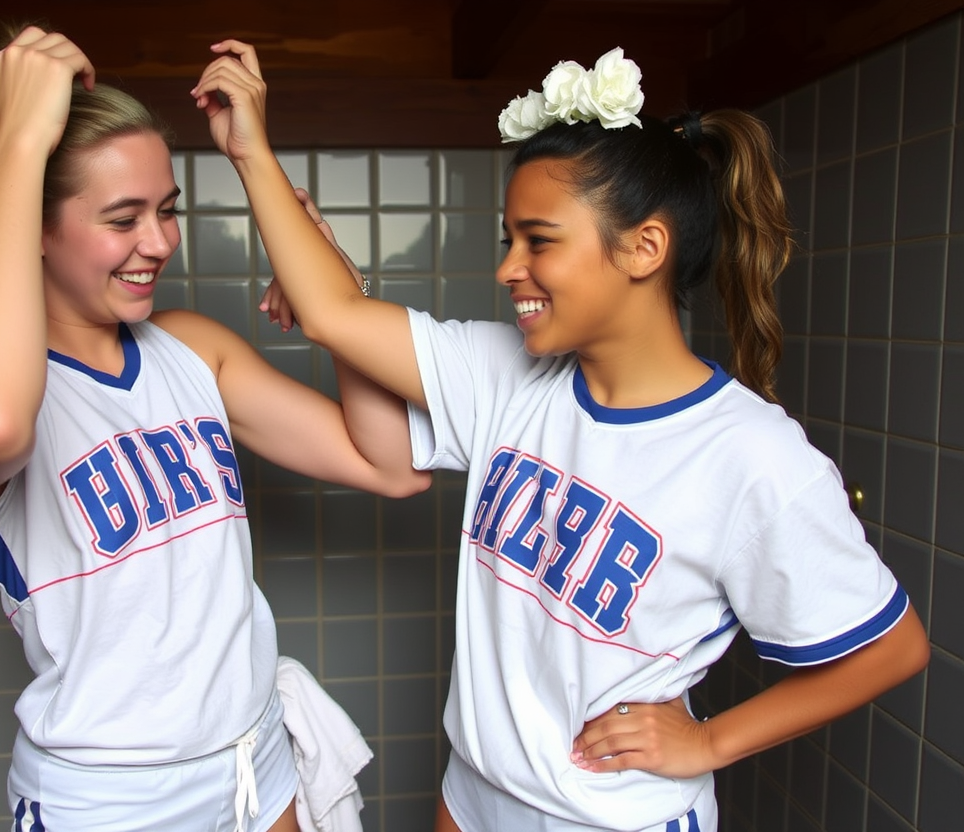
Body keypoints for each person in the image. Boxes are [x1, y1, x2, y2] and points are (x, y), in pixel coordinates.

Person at [191, 41, 932, 832]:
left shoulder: (752, 456)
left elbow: (892, 649)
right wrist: (251, 154)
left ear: (645, 248)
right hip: (472, 795)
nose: (510, 267)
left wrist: (709, 740)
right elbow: (337, 314)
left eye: (539, 241)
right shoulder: (510, 375)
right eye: (508, 240)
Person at [0, 22, 429, 832]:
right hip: (109, 800)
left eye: (167, 210)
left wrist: (333, 306)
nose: (159, 242)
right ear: (34, 225)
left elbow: (392, 465)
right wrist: (16, 148)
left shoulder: (189, 349)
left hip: (255, 760)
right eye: (122, 217)